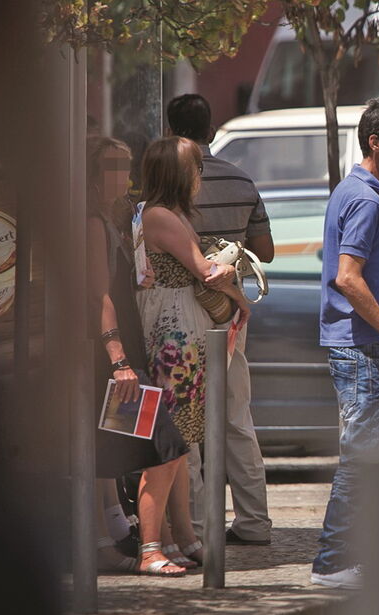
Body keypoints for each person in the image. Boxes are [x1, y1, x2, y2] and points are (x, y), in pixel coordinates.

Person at [312, 97, 379, 589]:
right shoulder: (362, 197)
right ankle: (333, 563)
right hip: (360, 348)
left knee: (367, 454)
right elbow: (347, 278)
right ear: (375, 142)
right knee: (363, 456)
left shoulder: (366, 192)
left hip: (360, 345)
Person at [135, 136, 249, 566]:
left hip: (181, 329)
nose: (200, 175)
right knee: (168, 442)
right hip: (173, 335)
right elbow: (206, 271)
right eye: (195, 167)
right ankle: (152, 545)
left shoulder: (166, 213)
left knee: (180, 442)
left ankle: (182, 537)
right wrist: (231, 270)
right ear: (180, 174)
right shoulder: (162, 215)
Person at [166, 94, 274, 546]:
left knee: (186, 419)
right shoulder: (241, 178)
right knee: (235, 418)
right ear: (212, 130)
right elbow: (264, 251)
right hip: (229, 311)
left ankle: (194, 527)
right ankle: (253, 522)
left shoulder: (168, 184)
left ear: (171, 130)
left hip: (181, 310)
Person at [86, 136, 195, 576]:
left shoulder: (115, 218)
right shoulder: (93, 221)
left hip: (128, 353)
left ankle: (128, 542)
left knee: (116, 452)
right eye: (111, 165)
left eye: (125, 165)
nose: (122, 175)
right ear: (91, 171)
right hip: (114, 359)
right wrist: (117, 357)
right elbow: (97, 294)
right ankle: (150, 548)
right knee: (161, 444)